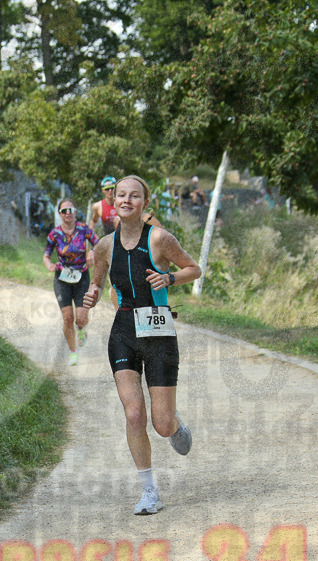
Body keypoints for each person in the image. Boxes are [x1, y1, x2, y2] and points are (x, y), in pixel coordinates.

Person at [83, 175, 202, 515]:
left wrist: (169, 278)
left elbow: (194, 269)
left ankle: (174, 425)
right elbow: (97, 281)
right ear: (113, 201)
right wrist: (91, 295)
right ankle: (149, 491)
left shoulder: (160, 239)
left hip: (158, 331)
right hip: (123, 331)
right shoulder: (104, 245)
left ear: (144, 203)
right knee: (134, 414)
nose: (126, 200)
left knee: (161, 423)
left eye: (134, 196)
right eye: (121, 195)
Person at [44, 198, 99, 366]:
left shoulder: (84, 229)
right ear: (59, 214)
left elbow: (98, 244)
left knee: (81, 318)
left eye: (71, 210)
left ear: (75, 212)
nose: (68, 213)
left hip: (82, 276)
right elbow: (46, 255)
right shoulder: (54, 234)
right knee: (68, 318)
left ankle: (81, 329)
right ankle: (73, 352)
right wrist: (49, 265)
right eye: (64, 211)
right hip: (62, 278)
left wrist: (92, 252)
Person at [89, 175, 164, 237]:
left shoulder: (146, 217)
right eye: (107, 189)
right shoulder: (98, 206)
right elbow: (93, 222)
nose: (110, 191)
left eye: (112, 188)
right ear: (102, 190)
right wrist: (93, 237)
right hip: (110, 240)